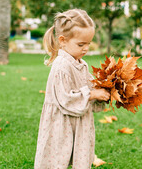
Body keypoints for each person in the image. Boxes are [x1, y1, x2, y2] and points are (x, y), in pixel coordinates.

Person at [34, 9, 110, 169]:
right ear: (63, 40)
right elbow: (65, 99)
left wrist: (103, 91)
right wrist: (91, 94)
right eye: (81, 44)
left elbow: (89, 87)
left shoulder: (81, 64)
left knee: (80, 158)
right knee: (56, 160)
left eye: (88, 43)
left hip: (79, 120)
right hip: (61, 122)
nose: (85, 49)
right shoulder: (61, 66)